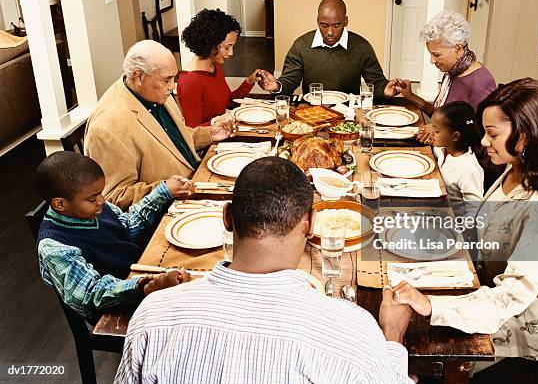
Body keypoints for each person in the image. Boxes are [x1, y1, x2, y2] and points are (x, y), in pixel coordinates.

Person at [115, 157, 415, 383]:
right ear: (310, 224)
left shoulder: (152, 314)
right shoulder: (352, 330)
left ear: (228, 218)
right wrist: (392, 336)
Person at [390, 78, 538, 364]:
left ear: (526, 136)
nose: (483, 142)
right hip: (486, 277)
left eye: (492, 134)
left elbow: (513, 295)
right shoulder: (518, 165)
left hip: (525, 315)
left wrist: (432, 305)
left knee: (418, 340)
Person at [35, 151, 192, 320]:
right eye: (92, 198)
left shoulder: (94, 206)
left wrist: (162, 193)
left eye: (100, 193)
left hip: (143, 273)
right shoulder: (54, 246)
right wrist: (145, 287)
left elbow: (127, 228)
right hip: (122, 309)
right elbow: (90, 296)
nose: (102, 200)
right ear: (60, 204)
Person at [85, 40, 235, 210]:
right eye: (167, 80)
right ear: (138, 76)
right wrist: (164, 189)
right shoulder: (106, 128)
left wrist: (210, 134)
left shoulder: (153, 91)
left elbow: (169, 140)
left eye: (173, 78)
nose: (173, 87)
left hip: (198, 178)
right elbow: (115, 198)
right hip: (168, 210)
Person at [387, 10, 496, 144]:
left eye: (437, 55)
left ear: (457, 48)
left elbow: (478, 137)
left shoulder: (479, 84)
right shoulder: (453, 72)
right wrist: (410, 96)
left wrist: (437, 130)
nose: (432, 61)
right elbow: (439, 115)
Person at [262, 0, 400, 101]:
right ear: (317, 20)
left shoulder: (361, 46)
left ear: (346, 21)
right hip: (312, 110)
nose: (329, 32)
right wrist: (277, 86)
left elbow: (376, 83)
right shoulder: (301, 45)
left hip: (349, 112)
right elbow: (289, 81)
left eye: (336, 25)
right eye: (324, 25)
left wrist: (386, 90)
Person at [177, 9, 277, 127]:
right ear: (210, 45)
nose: (231, 53)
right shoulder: (190, 81)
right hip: (211, 142)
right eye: (227, 47)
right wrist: (221, 121)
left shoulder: (215, 67)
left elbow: (228, 102)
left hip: (223, 133)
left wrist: (249, 81)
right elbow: (192, 131)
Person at [431, 101, 484, 218]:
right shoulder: (444, 149)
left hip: (451, 224)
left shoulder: (468, 170)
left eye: (436, 131)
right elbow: (437, 152)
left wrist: (459, 232)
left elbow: (474, 212)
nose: (432, 133)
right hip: (436, 209)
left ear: (455, 136)